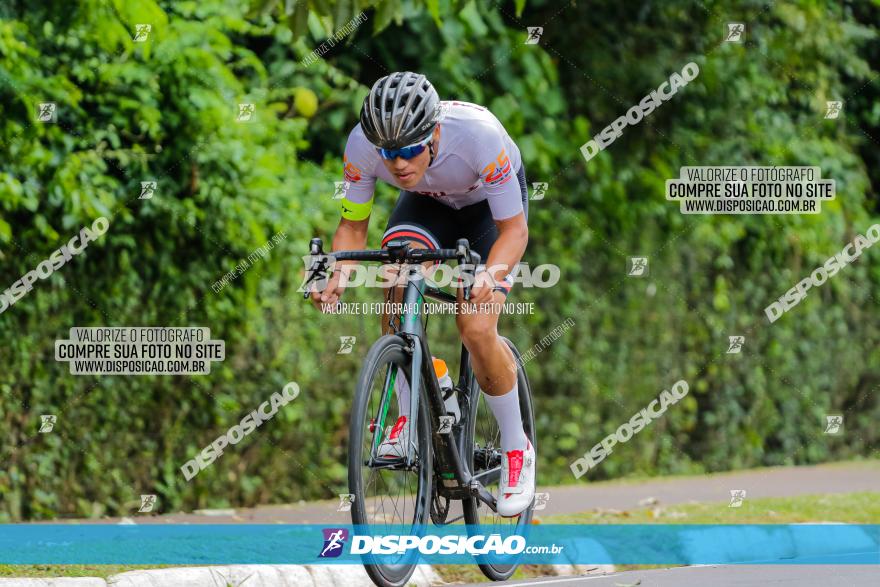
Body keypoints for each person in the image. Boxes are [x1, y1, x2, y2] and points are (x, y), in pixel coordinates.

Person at [311, 71, 533, 517]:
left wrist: (489, 276)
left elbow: (515, 230)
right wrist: (337, 269)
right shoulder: (361, 145)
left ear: (433, 133)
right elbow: (353, 227)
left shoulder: (479, 138)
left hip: (489, 212)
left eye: (410, 150)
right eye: (388, 154)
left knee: (474, 323)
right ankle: (414, 409)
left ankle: (516, 447)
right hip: (429, 207)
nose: (398, 164)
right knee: (398, 278)